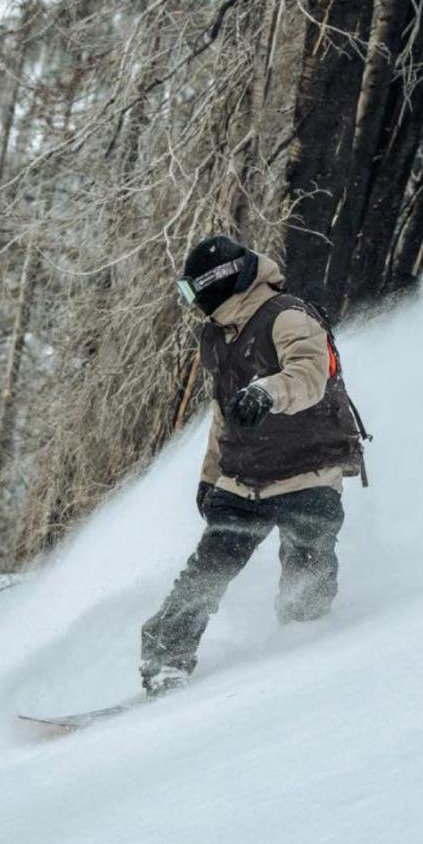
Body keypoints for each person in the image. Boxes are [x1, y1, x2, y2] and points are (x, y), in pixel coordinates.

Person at [139, 235, 369, 697]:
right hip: (246, 481)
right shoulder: (218, 335)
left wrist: (267, 392)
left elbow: (309, 373)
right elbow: (223, 416)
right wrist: (210, 478)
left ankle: (304, 662)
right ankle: (165, 663)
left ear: (216, 285)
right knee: (206, 572)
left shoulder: (287, 316)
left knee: (307, 572)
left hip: (309, 472)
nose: (191, 304)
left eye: (191, 293)